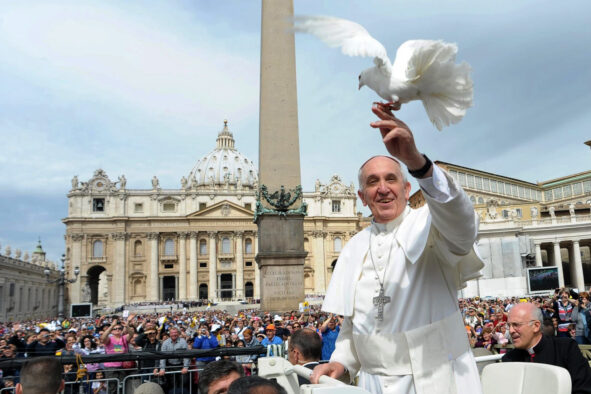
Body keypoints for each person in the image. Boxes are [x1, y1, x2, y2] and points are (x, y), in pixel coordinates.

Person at [311, 103, 484, 393]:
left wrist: (417, 163)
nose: (382, 188)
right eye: (372, 182)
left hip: (435, 379)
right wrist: (341, 361)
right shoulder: (354, 247)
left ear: (406, 189)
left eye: (391, 178)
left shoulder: (432, 223)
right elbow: (356, 325)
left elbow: (462, 223)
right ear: (362, 197)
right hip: (373, 382)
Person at [502, 303, 591, 393]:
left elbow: (583, 389)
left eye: (516, 325)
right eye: (509, 326)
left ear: (536, 326)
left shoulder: (566, 349)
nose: (511, 331)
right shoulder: (509, 359)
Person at [158, 327, 190, 393]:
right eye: (172, 333)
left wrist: (185, 367)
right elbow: (162, 356)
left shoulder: (183, 341)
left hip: (181, 366)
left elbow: (186, 355)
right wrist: (162, 368)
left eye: (175, 332)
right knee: (172, 385)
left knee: (183, 384)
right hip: (170, 366)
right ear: (169, 334)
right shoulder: (165, 343)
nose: (174, 334)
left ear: (178, 333)